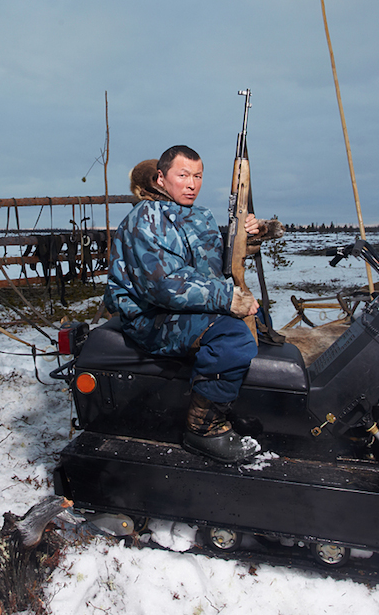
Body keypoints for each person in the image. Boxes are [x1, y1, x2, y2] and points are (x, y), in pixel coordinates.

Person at [103, 144, 262, 463]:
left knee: (256, 325)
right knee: (232, 337)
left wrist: (248, 237)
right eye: (183, 175)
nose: (192, 183)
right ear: (161, 179)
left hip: (180, 307)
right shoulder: (145, 219)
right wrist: (227, 298)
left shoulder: (197, 216)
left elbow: (216, 264)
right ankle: (203, 428)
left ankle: (226, 400)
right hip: (151, 316)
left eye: (198, 176)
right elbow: (165, 286)